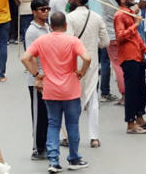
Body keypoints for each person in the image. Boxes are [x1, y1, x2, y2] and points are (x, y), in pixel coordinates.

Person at [20, 11, 91, 173]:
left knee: (53, 123)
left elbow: (25, 57)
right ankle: (74, 158)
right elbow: (87, 57)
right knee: (72, 124)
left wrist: (37, 75)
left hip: (50, 89)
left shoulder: (42, 40)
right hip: (71, 89)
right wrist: (82, 71)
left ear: (50, 26)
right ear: (65, 25)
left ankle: (53, 161)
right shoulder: (73, 41)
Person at [64, 0, 108, 149]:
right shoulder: (96, 17)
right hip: (92, 63)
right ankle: (94, 138)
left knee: (72, 101)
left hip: (73, 64)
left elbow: (67, 42)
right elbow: (105, 42)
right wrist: (91, 46)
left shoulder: (69, 18)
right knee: (92, 100)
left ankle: (70, 136)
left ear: (77, 0)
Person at [112, 0, 146, 135]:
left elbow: (136, 37)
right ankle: (130, 123)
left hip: (137, 55)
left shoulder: (129, 13)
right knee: (131, 91)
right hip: (128, 57)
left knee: (140, 90)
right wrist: (136, 24)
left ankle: (140, 118)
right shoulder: (119, 15)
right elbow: (120, 36)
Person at [23, 0, 50, 160]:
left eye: (47, 9)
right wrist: (37, 76)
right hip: (37, 79)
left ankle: (45, 143)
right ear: (34, 12)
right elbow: (30, 56)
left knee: (47, 114)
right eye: (42, 9)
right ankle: (38, 148)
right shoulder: (32, 31)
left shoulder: (47, 28)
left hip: (47, 77)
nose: (46, 12)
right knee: (39, 115)